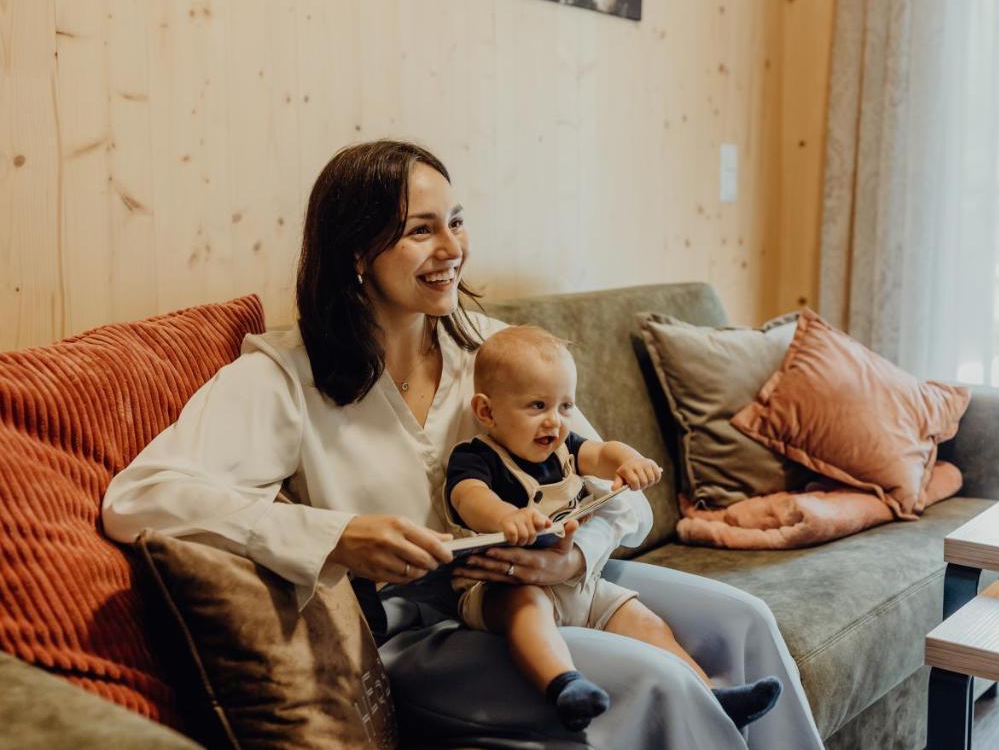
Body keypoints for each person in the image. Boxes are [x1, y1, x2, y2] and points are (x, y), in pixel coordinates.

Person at [102, 139, 823, 748]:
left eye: (457, 221)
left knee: (744, 620)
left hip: (553, 584)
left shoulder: (490, 350)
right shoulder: (283, 378)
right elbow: (140, 498)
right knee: (659, 681)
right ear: (357, 251)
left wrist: (577, 554)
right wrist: (337, 535)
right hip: (418, 635)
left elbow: (620, 499)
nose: (454, 249)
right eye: (422, 230)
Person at [443, 325, 782, 732]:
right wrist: (504, 517)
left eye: (565, 406)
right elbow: (468, 497)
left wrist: (628, 460)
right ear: (486, 412)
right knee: (528, 611)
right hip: (499, 586)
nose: (555, 421)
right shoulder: (477, 456)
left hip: (576, 581)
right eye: (537, 406)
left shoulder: (564, 447)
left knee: (644, 620)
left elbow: (602, 452)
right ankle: (564, 685)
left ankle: (711, 694)